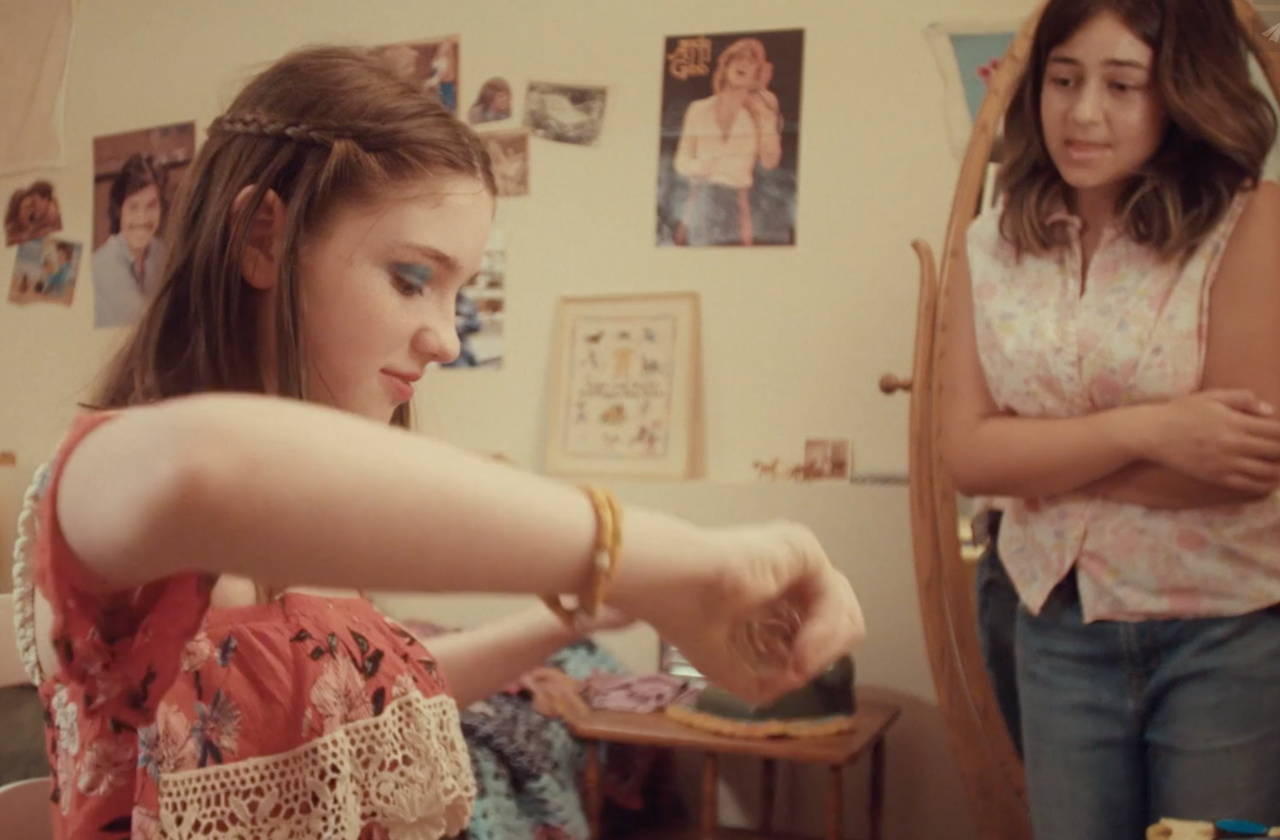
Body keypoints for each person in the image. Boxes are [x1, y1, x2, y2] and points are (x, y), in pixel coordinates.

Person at [10, 46, 864, 840]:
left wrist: (570, 617)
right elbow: (207, 465)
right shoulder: (101, 479)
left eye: (457, 294)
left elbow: (359, 691)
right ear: (263, 237)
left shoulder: (308, 541)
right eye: (413, 279)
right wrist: (664, 560)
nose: (447, 340)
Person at [938, 1, 1280, 836]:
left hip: (1223, 632)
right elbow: (967, 457)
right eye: (1063, 79)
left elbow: (1237, 468)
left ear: (1181, 94)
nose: (1083, 113)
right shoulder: (993, 243)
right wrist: (1153, 430)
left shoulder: (1253, 220)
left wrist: (1039, 461)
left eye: (1123, 84)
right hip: (1054, 625)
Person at [672, 37, 782, 246]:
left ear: (757, 74)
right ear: (726, 66)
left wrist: (767, 118)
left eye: (751, 62)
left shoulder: (759, 114)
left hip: (736, 206)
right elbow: (680, 162)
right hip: (699, 202)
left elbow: (770, 162)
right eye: (738, 59)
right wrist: (704, 166)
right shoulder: (698, 109)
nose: (743, 64)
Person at [91, 153, 169, 328]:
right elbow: (145, 324)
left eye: (151, 205)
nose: (143, 217)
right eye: (133, 206)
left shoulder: (162, 252)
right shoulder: (103, 264)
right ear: (119, 210)